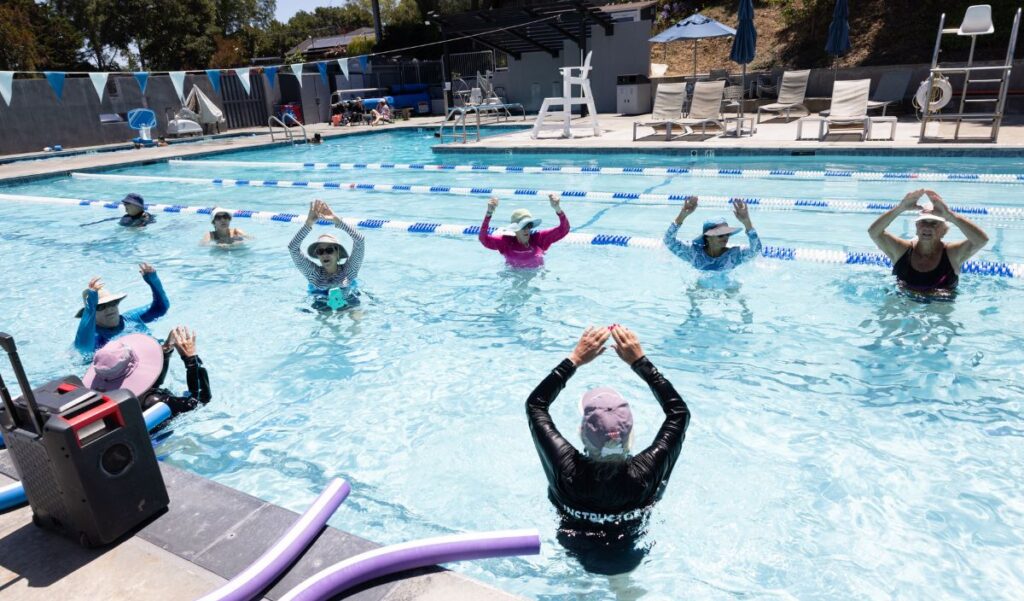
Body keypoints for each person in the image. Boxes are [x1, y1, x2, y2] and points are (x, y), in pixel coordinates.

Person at [526, 325, 690, 574]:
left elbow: (535, 406)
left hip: (573, 547)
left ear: (581, 433)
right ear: (631, 436)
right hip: (631, 552)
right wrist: (640, 362)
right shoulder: (647, 472)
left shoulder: (565, 469)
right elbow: (678, 413)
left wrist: (575, 359)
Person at [868, 189, 989, 294]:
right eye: (923, 222)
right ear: (916, 228)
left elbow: (981, 241)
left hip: (940, 310)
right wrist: (900, 208)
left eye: (934, 223)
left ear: (944, 230)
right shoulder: (902, 250)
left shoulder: (952, 253)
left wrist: (950, 215)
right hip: (904, 307)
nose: (927, 227)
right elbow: (874, 233)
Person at [83, 328, 211, 417]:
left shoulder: (111, 403)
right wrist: (191, 359)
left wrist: (165, 352)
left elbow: (149, 386)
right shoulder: (158, 402)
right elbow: (200, 402)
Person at [74, 263, 170, 354]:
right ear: (92, 314)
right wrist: (90, 307)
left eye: (113, 303)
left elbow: (161, 308)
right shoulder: (95, 336)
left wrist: (153, 280)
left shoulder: (131, 318)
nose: (109, 309)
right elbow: (83, 347)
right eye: (101, 307)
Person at [288, 199, 365, 306]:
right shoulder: (314, 274)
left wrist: (337, 220)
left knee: (358, 318)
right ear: (317, 255)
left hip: (349, 304)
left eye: (329, 250)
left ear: (337, 253)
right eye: (320, 251)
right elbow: (292, 248)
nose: (325, 254)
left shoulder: (349, 271)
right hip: (323, 307)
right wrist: (308, 224)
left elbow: (360, 241)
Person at [664, 196, 761, 271]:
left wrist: (747, 222)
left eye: (727, 234)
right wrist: (682, 215)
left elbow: (756, 250)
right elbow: (668, 241)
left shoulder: (734, 255)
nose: (725, 238)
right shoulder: (695, 253)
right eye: (720, 235)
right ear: (708, 237)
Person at [479, 195, 570, 269]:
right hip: (513, 278)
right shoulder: (506, 242)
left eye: (529, 225)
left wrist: (558, 209)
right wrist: (488, 214)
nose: (527, 229)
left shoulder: (539, 239)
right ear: (515, 229)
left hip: (536, 280)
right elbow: (483, 239)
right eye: (523, 226)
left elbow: (564, 229)